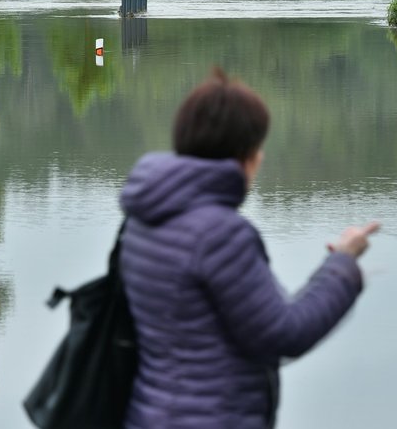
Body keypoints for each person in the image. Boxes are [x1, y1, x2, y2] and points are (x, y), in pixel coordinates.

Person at [118, 67, 379, 428]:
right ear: (244, 155)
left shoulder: (142, 220)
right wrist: (343, 265)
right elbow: (284, 333)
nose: (262, 158)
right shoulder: (219, 234)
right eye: (258, 146)